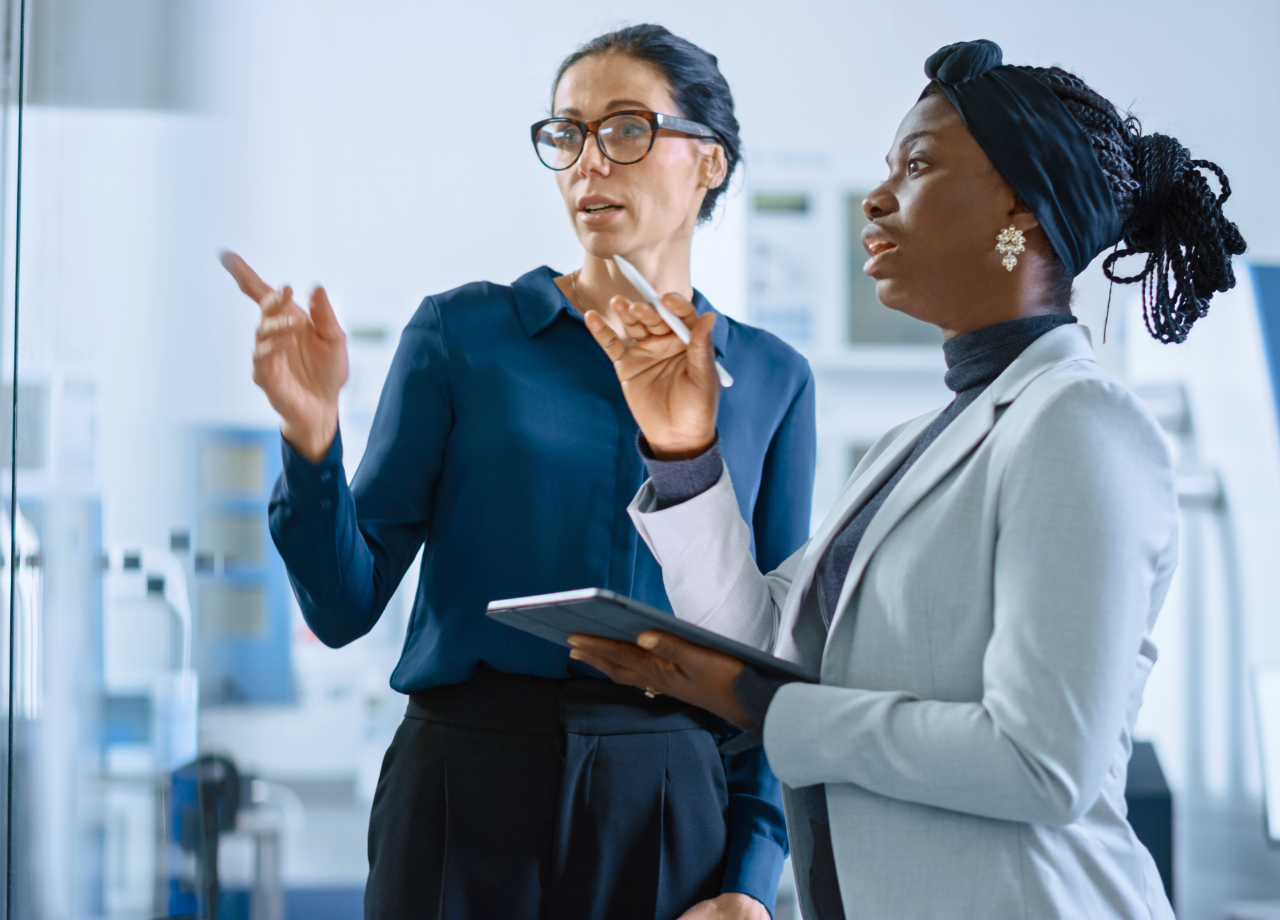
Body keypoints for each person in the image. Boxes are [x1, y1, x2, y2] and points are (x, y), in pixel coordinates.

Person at [570, 39, 1246, 920]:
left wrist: (769, 709)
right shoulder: (907, 447)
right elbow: (763, 637)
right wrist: (684, 450)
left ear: (1021, 204)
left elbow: (1043, 763)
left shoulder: (1079, 423)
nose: (877, 197)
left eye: (917, 166)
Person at [221, 23, 813, 920]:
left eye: (627, 128)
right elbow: (342, 607)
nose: (589, 161)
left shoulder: (771, 377)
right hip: (463, 787)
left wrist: (751, 880)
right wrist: (313, 441)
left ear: (711, 161)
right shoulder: (463, 336)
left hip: (666, 797)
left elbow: (776, 661)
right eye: (567, 133)